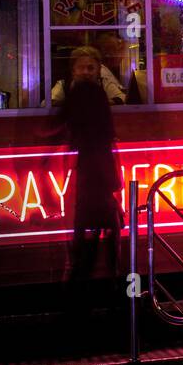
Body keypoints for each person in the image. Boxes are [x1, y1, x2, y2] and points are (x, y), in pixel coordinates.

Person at [59, 77, 124, 304]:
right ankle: (116, 305)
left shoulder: (78, 137)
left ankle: (77, 304)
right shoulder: (103, 137)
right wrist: (116, 200)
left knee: (81, 259)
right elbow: (114, 179)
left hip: (85, 201)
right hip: (102, 200)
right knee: (111, 259)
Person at [52, 46, 126, 105]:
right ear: (73, 70)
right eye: (81, 67)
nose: (85, 72)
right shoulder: (63, 85)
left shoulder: (104, 83)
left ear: (98, 70)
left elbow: (123, 98)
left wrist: (100, 103)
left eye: (90, 68)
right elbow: (46, 104)